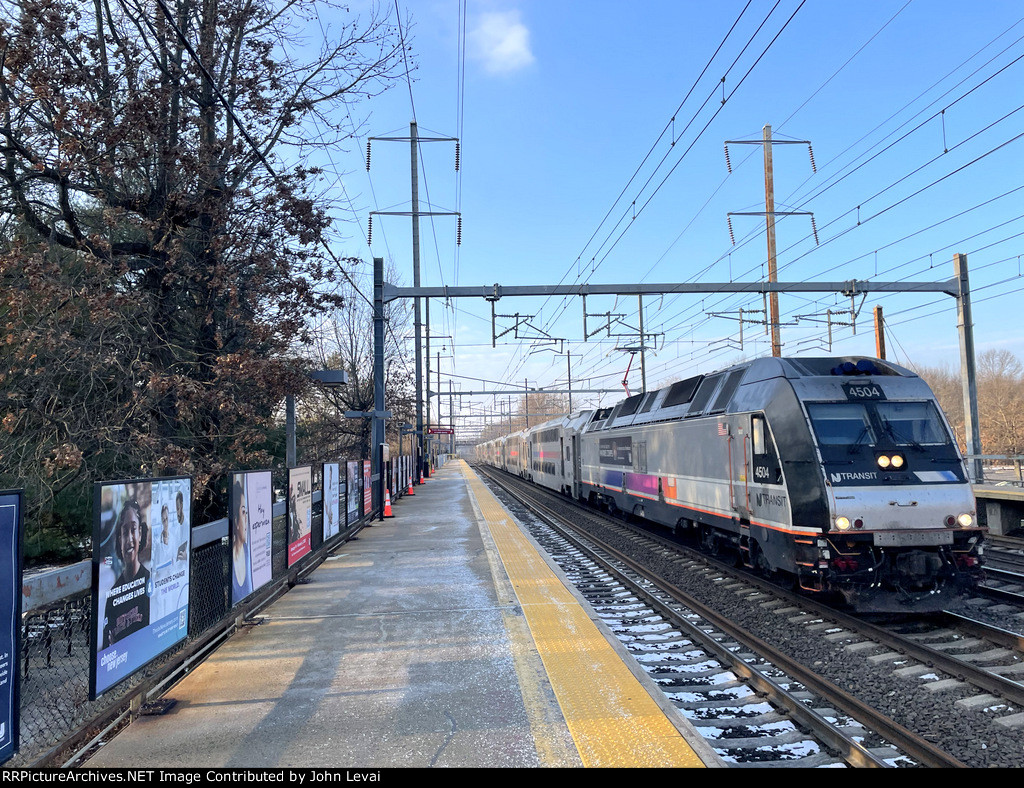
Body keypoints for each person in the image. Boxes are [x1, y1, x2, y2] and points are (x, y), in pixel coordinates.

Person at [102, 498, 151, 648]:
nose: (129, 539)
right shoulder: (113, 596)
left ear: (140, 533)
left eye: (133, 529)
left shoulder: (149, 580)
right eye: (124, 532)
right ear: (119, 539)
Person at [231, 478, 253, 602]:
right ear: (235, 520)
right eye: (243, 512)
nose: (246, 520)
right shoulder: (230, 559)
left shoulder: (247, 550)